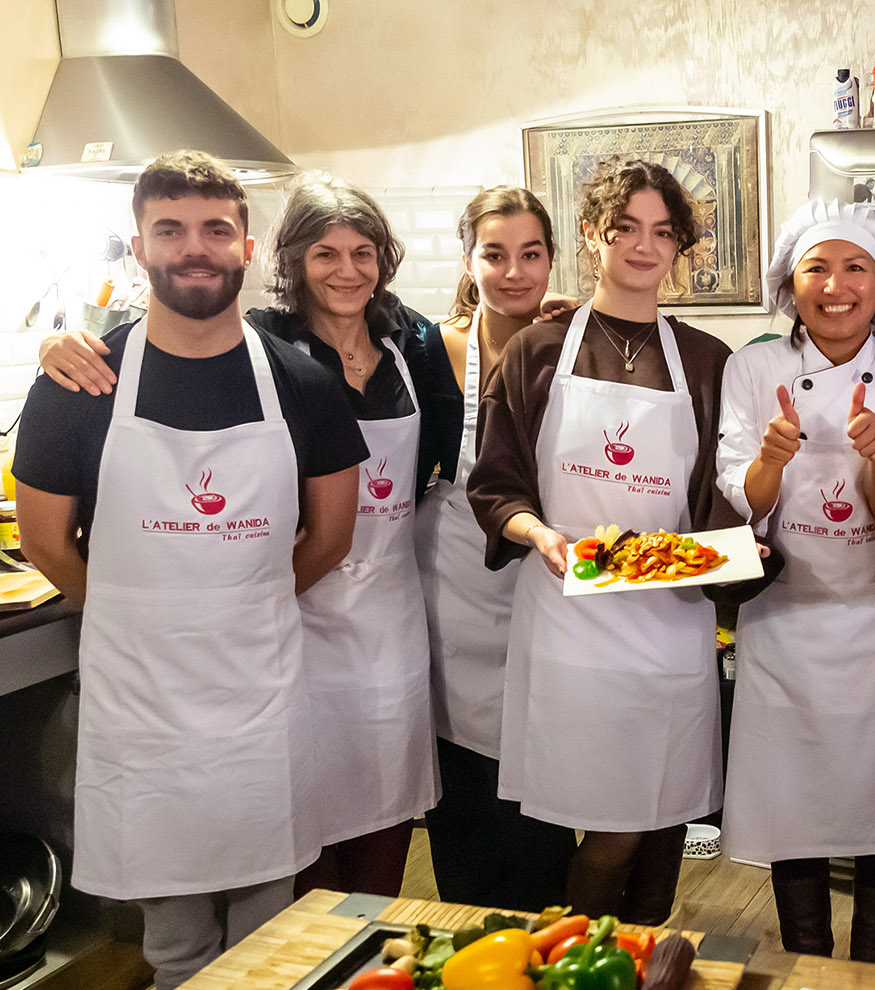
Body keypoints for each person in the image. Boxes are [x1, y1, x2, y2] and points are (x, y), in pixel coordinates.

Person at [41, 172, 463, 899]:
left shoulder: (417, 345)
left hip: (384, 622)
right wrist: (61, 346)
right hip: (284, 638)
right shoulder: (265, 349)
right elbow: (175, 342)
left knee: (384, 815)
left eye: (364, 252)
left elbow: (449, 446)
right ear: (289, 260)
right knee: (292, 840)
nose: (347, 269)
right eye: (326, 253)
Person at [12, 150, 367, 990]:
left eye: (215, 229)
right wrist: (142, 608)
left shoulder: (303, 384)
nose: (193, 247)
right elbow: (44, 541)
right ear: (140, 246)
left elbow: (331, 537)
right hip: (144, 705)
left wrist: (239, 603)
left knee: (270, 931)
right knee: (171, 940)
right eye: (170, 229)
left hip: (258, 692)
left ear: (247, 248)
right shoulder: (79, 384)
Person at [466, 159, 738, 924]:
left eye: (662, 233)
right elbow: (495, 484)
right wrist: (539, 534)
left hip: (670, 617)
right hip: (569, 619)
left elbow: (719, 498)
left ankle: (642, 955)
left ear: (679, 246)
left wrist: (734, 553)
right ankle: (586, 951)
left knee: (667, 816)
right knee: (612, 828)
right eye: (625, 229)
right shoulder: (539, 351)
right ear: (592, 235)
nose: (643, 248)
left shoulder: (709, 361)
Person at [715, 198, 875, 963]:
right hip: (785, 622)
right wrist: (770, 462)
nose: (837, 284)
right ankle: (809, 967)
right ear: (792, 283)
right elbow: (744, 502)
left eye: (856, 268)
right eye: (817, 267)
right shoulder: (753, 368)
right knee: (796, 808)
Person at [414, 186, 578, 909]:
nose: (514, 272)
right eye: (495, 254)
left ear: (552, 260)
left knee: (544, 784)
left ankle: (547, 937)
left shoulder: (577, 343)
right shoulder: (425, 348)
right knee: (466, 794)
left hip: (544, 577)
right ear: (468, 259)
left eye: (531, 254)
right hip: (453, 588)